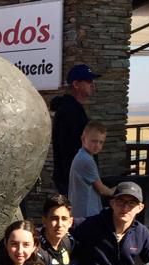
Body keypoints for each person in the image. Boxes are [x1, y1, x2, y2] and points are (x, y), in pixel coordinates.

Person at [70, 181, 149, 265]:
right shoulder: (90, 225)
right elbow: (62, 226)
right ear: (112, 203)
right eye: (120, 202)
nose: (125, 208)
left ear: (140, 208)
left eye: (131, 203)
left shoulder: (141, 232)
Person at [51, 64, 100, 195]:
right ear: (76, 84)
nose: (93, 85)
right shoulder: (69, 111)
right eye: (89, 81)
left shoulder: (74, 109)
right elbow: (70, 149)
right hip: (74, 181)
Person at [68, 122, 115, 220]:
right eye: (94, 141)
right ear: (83, 139)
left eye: (101, 142)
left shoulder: (82, 155)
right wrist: (117, 190)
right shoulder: (86, 160)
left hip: (80, 210)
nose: (97, 145)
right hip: (86, 213)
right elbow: (101, 189)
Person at [38, 194, 74, 265]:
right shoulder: (37, 248)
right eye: (54, 218)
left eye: (64, 219)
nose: (59, 224)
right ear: (44, 221)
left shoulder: (68, 241)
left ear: (70, 222)